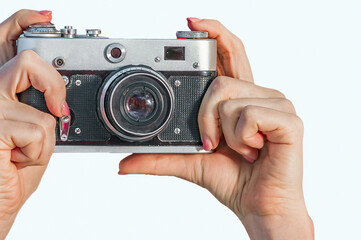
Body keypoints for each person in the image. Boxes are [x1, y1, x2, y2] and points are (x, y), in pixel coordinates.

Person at [0, 10, 314, 240]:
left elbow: (276, 216)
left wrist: (276, 217)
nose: (137, 104)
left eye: (142, 101)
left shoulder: (265, 201)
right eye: (136, 102)